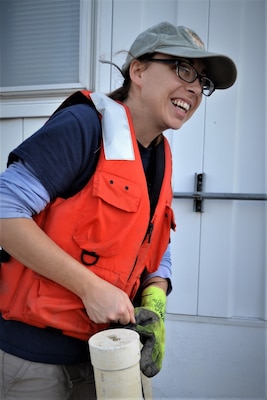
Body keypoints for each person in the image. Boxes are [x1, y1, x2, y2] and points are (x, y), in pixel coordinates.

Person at [0, 21, 236, 399]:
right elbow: (4, 211)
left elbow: (153, 240)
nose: (194, 88)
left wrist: (155, 302)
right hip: (35, 362)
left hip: (107, 356)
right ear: (138, 70)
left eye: (202, 81)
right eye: (183, 68)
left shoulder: (159, 155)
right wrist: (90, 288)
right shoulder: (83, 127)